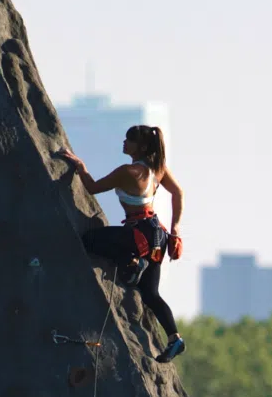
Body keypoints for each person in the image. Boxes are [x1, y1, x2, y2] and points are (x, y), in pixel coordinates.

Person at [59, 125, 186, 363]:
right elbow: (178, 193)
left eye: (129, 140)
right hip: (157, 235)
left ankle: (132, 262)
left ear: (142, 146)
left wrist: (81, 167)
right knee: (150, 294)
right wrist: (176, 228)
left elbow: (93, 188)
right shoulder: (157, 169)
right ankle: (175, 338)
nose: (124, 143)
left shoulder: (128, 172)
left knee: (89, 240)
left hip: (139, 235)